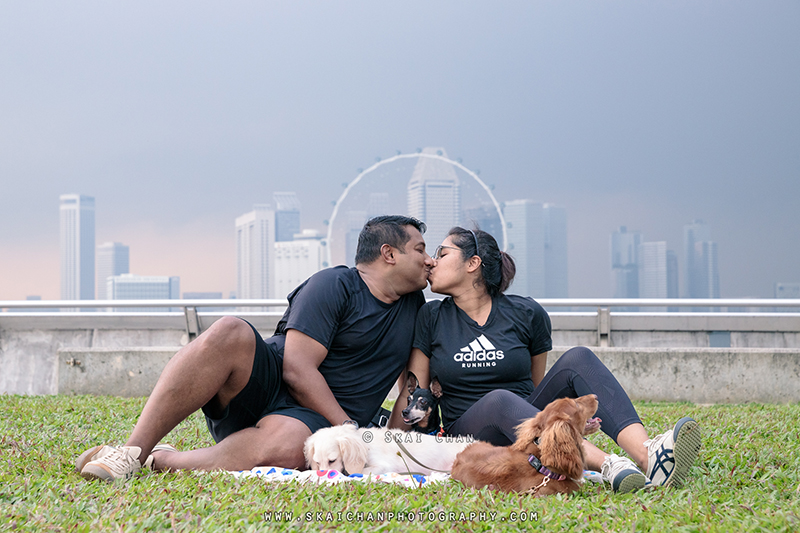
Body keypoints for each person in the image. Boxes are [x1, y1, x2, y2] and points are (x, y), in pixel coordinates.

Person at [76, 215, 433, 481]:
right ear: (389, 254)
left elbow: (410, 388)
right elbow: (296, 369)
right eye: (420, 249)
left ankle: (162, 461)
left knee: (291, 445)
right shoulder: (333, 285)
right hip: (270, 384)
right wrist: (348, 428)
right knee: (230, 330)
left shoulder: (415, 307)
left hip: (311, 420)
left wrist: (388, 447)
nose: (429, 259)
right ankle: (130, 453)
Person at [398, 226, 702, 493]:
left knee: (578, 358)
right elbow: (417, 395)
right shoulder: (431, 316)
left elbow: (536, 387)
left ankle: (649, 457)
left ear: (472, 264)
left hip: (526, 430)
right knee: (499, 400)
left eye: (442, 252)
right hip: (468, 438)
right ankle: (607, 464)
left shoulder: (526, 313)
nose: (432, 261)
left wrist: (562, 422)